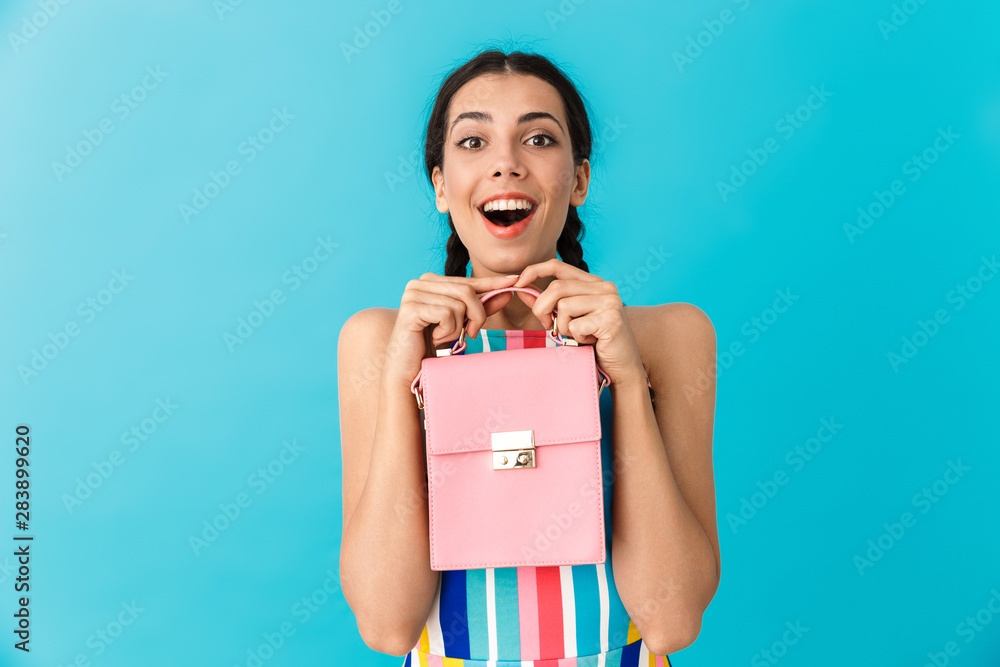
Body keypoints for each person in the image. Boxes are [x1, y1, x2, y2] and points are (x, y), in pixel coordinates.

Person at [338, 48, 720, 666]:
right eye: (473, 143)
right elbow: (386, 624)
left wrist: (623, 379)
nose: (506, 164)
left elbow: (671, 620)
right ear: (440, 186)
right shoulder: (379, 341)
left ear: (578, 180)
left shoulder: (667, 337)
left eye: (538, 138)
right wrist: (399, 386)